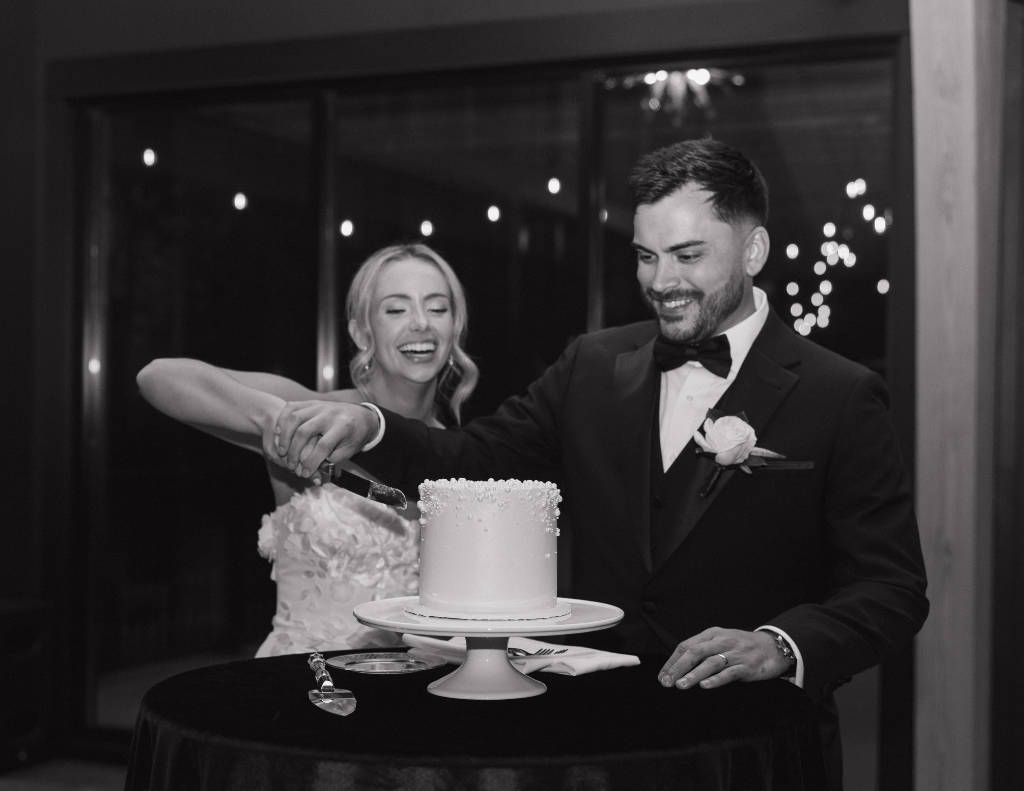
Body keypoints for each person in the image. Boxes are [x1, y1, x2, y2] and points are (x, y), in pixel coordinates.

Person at [269, 139, 928, 788]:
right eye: (646, 256)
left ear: (752, 249)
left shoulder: (838, 394)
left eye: (687, 255)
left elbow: (891, 587)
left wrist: (781, 644)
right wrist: (372, 424)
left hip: (756, 748)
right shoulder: (591, 365)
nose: (660, 281)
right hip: (600, 748)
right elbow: (472, 458)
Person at [136, 242, 478, 657]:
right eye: (396, 309)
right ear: (360, 331)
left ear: (455, 327)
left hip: (417, 687)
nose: (421, 323)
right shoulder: (316, 414)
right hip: (305, 687)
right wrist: (273, 419)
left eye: (438, 308)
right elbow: (158, 377)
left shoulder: (460, 453)